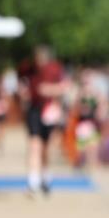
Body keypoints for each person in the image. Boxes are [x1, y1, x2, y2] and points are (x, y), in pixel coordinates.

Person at [21, 45, 67, 195]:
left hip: (48, 110)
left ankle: (45, 175)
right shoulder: (29, 68)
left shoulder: (55, 69)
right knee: (34, 144)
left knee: (45, 148)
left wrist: (50, 89)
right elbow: (22, 82)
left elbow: (64, 87)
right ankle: (33, 180)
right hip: (34, 110)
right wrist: (23, 92)